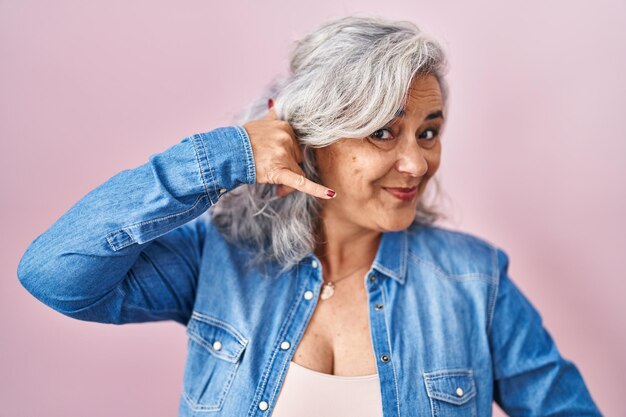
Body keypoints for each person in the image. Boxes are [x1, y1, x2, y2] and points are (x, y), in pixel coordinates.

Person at [17, 15, 602, 417]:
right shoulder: (217, 258)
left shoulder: (477, 282)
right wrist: (224, 158)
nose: (416, 162)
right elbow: (53, 273)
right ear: (310, 138)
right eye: (382, 132)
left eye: (429, 132)